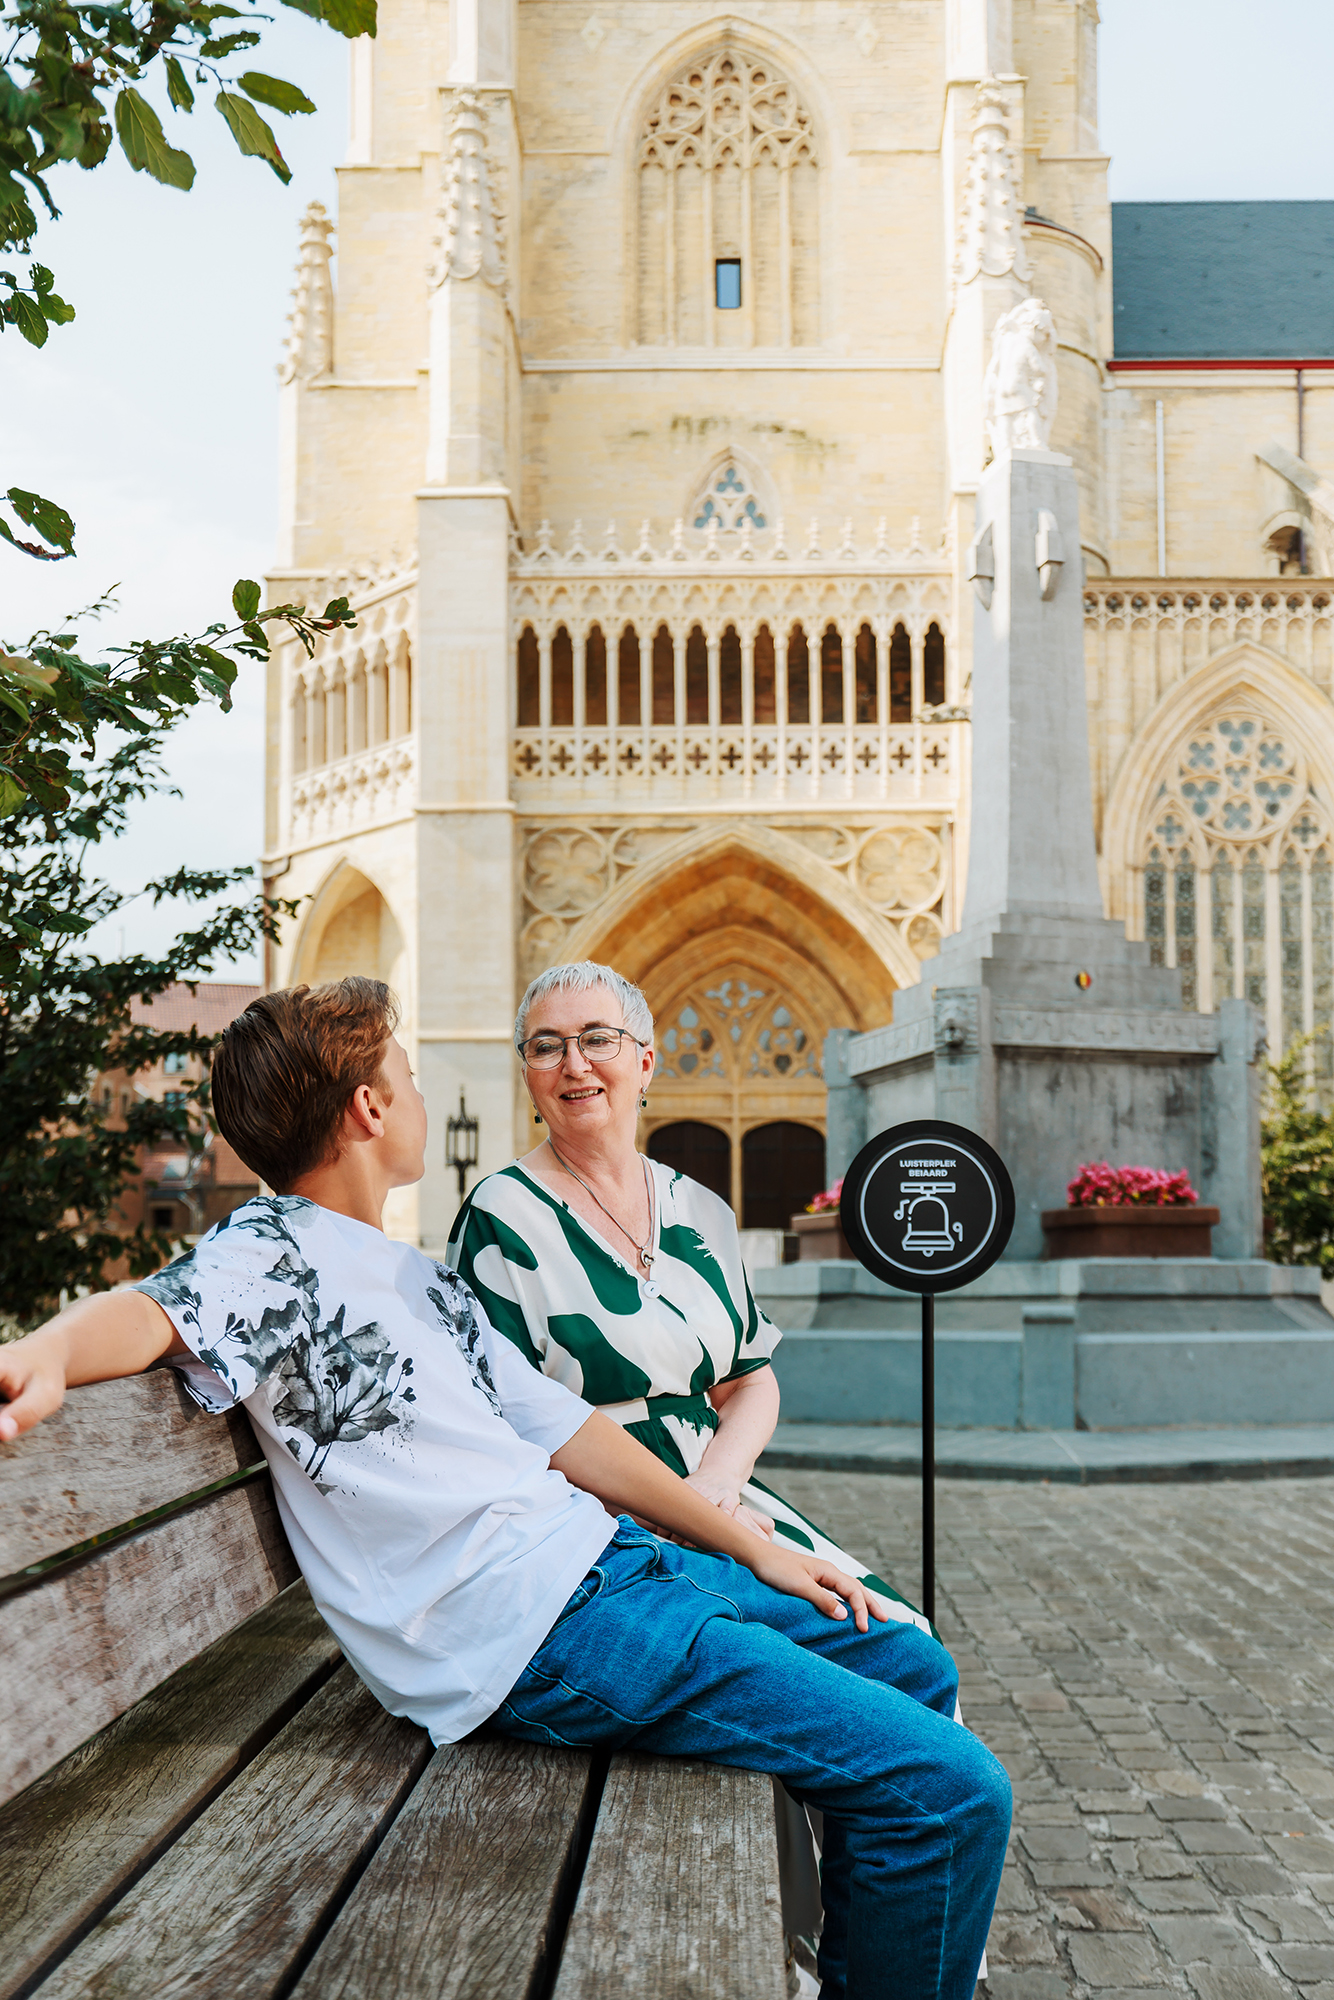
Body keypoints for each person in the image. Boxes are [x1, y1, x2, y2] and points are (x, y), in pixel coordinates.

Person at [0, 977, 1009, 2000]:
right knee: (950, 1791)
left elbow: (567, 1430)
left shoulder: (413, 1278)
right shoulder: (272, 1252)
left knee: (906, 1660)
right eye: (407, 1072)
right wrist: (46, 1347)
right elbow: (148, 1312)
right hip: (541, 1631)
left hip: (612, 1571)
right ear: (369, 1109)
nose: (423, 1093)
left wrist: (746, 1541)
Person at [447, 959, 931, 1629]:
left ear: (645, 1062)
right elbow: (508, 1424)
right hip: (591, 1526)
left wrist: (718, 1487)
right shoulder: (500, 1215)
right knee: (856, 1651)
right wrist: (684, 1513)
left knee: (901, 1626)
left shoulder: (700, 1209)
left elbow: (750, 1383)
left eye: (597, 1038)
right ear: (528, 1073)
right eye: (546, 1045)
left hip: (718, 1505)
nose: (573, 1063)